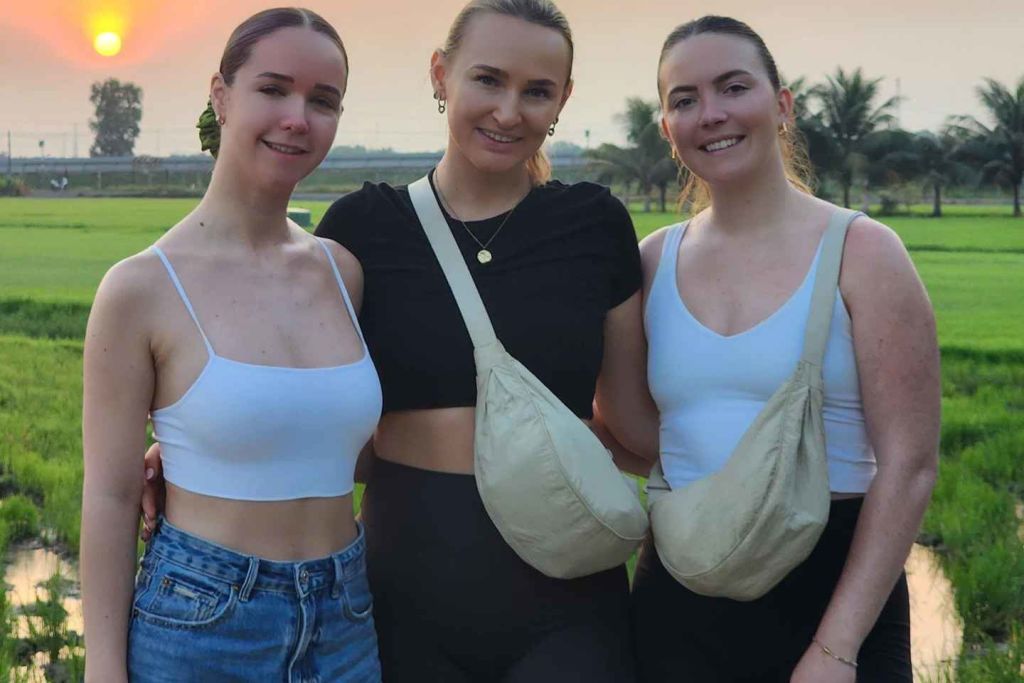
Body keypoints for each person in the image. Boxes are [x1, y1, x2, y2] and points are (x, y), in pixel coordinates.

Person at [313, 1, 649, 679]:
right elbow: (313, 418)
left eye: (537, 91)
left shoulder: (595, 225)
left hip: (571, 601)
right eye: (488, 79)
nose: (508, 111)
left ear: (563, 100)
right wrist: (184, 451)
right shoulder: (360, 229)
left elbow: (634, 425)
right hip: (401, 598)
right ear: (441, 75)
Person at [606, 15, 940, 682]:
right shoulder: (649, 262)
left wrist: (836, 648)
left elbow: (910, 464)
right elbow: (636, 434)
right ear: (667, 129)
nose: (711, 113)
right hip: (680, 597)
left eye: (734, 87)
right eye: (685, 99)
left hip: (836, 594)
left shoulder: (864, 252)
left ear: (782, 106)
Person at [80, 8, 383, 682]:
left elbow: (342, 448)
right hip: (203, 625)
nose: (297, 118)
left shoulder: (343, 272)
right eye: (273, 89)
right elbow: (109, 497)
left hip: (345, 620)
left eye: (322, 100)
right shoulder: (139, 288)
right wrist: (103, 669)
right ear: (221, 95)